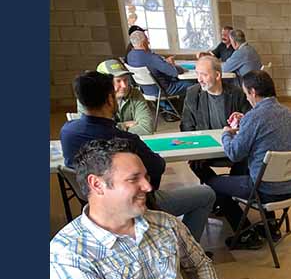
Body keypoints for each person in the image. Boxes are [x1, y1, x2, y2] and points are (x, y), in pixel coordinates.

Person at [50, 139, 276, 279]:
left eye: (146, 177)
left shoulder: (164, 222)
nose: (148, 186)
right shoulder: (68, 250)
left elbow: (199, 263)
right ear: (97, 184)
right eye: (134, 179)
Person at [60, 71, 215, 242]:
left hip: (95, 208)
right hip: (132, 206)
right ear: (111, 99)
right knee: (206, 194)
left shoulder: (67, 132)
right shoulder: (125, 141)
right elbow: (158, 166)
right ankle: (184, 251)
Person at [192, 70, 291, 250]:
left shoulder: (254, 117)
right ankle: (271, 225)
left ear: (252, 92)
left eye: (246, 94)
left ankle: (244, 233)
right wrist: (246, 122)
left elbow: (234, 153)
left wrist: (226, 133)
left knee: (214, 183)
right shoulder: (290, 115)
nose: (247, 99)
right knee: (257, 172)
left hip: (265, 189)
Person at [181, 56, 252, 185]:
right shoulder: (192, 93)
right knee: (195, 162)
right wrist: (197, 147)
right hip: (206, 148)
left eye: (204, 75)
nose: (199, 79)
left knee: (247, 159)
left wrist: (241, 119)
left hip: (232, 146)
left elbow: (250, 121)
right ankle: (224, 193)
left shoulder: (237, 93)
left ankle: (225, 190)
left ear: (218, 75)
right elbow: (186, 125)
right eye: (197, 74)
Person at [77, 59, 154, 136]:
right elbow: (91, 132)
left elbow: (147, 128)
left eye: (125, 80)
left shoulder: (135, 93)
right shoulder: (88, 99)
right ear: (104, 84)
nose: (124, 86)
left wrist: (112, 129)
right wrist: (123, 126)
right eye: (118, 81)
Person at [126, 29, 193, 99]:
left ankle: (168, 108)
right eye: (147, 40)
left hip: (145, 90)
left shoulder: (130, 56)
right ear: (143, 43)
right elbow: (174, 72)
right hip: (163, 90)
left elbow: (152, 65)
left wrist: (163, 62)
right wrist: (179, 68)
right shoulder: (151, 57)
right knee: (194, 85)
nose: (148, 42)